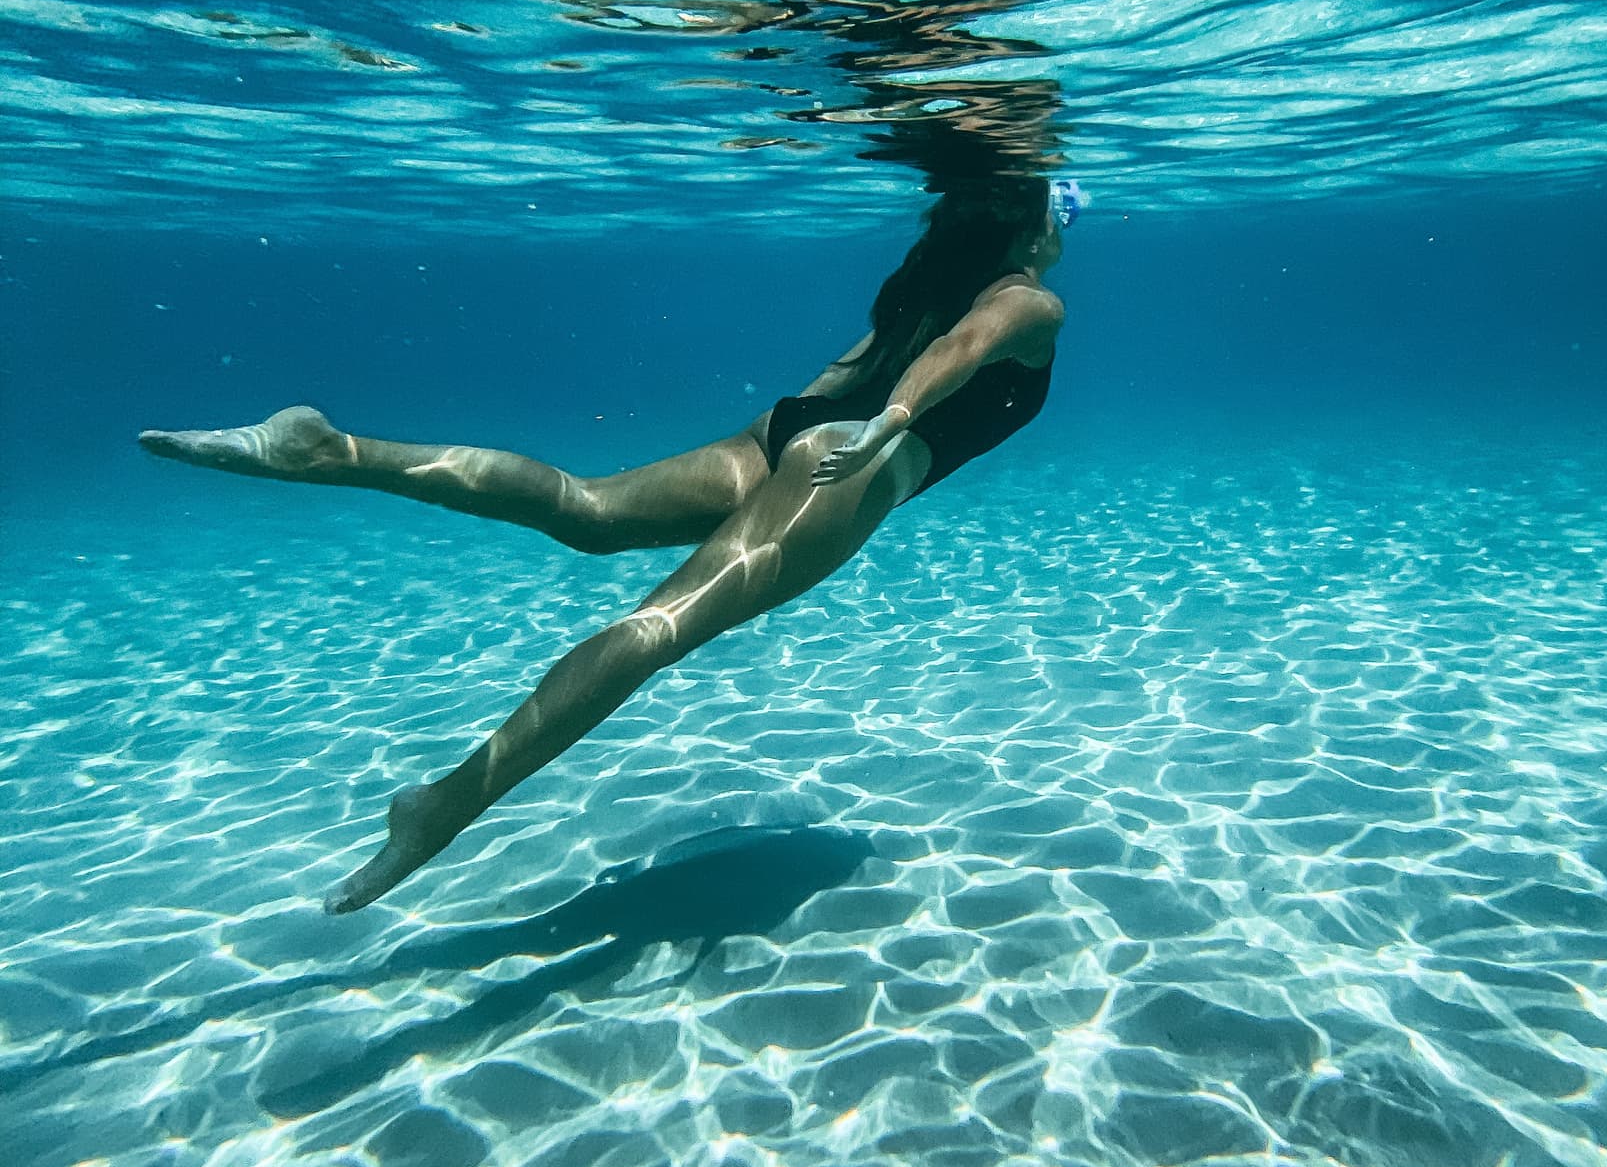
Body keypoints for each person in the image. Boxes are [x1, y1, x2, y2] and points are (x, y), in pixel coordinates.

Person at [140, 174, 1082, 912]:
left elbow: (849, 372)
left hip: (790, 430)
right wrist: (889, 428)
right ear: (1030, 226)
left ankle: (328, 448)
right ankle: (446, 807)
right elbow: (965, 351)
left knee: (586, 511)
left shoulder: (926, 286)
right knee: (659, 629)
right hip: (853, 456)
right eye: (1064, 206)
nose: (1069, 222)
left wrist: (821, 430)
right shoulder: (1030, 299)